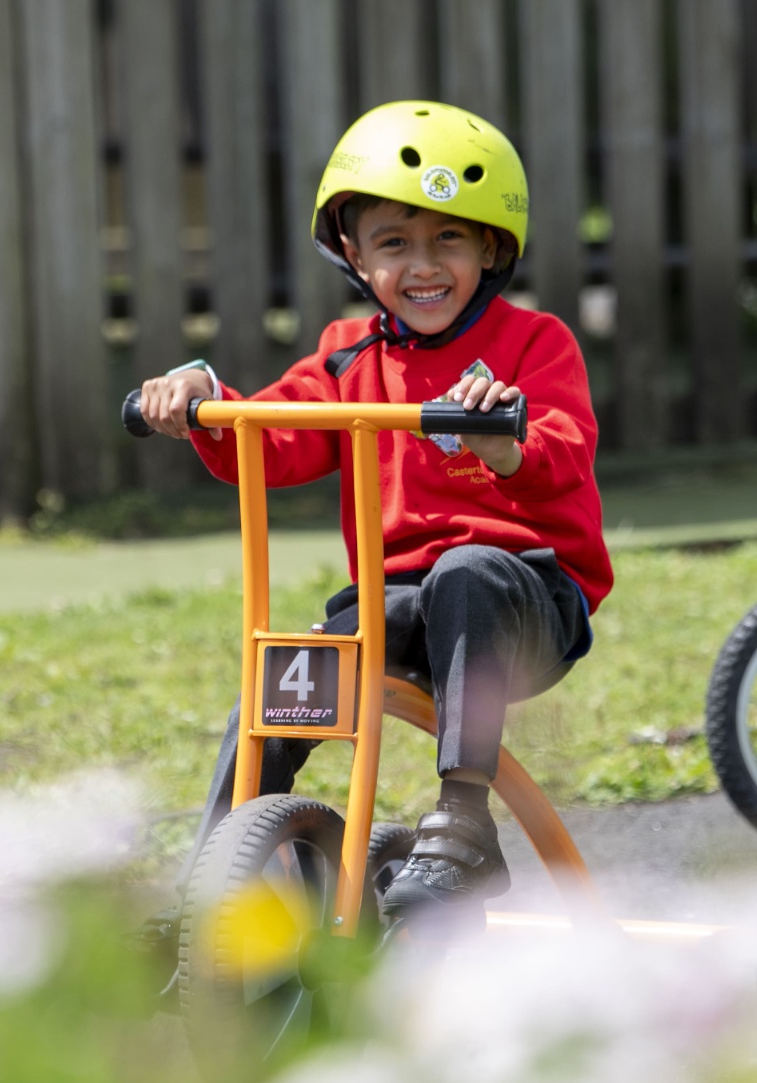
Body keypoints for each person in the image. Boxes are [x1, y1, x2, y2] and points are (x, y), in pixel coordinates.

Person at [137, 101, 611, 928]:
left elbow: (563, 448)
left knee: (467, 569)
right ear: (354, 253)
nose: (422, 266)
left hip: (526, 602)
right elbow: (277, 434)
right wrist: (206, 394)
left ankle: (465, 824)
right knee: (279, 681)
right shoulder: (347, 355)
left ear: (492, 247)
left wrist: (506, 444)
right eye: (395, 243)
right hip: (394, 609)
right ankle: (209, 888)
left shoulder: (535, 345)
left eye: (448, 239)